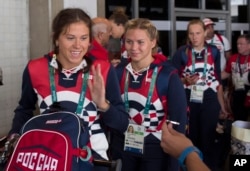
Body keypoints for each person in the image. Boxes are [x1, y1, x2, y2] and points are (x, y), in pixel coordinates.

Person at [7, 8, 129, 171]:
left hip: (93, 160)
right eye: (70, 38)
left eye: (84, 38)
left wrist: (103, 105)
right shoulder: (35, 68)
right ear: (56, 39)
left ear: (90, 41)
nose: (78, 45)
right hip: (48, 158)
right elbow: (24, 110)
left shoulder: (102, 70)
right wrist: (14, 137)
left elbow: (121, 124)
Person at [113, 18, 187, 171]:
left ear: (153, 42)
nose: (134, 48)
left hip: (156, 148)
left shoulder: (167, 75)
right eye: (129, 41)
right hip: (124, 144)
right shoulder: (118, 72)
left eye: (140, 42)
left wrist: (174, 163)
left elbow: (178, 122)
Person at [171, 19, 228, 170]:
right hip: (189, 97)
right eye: (191, 33)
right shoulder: (182, 52)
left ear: (205, 33)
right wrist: (184, 80)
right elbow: (173, 78)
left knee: (209, 137)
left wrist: (222, 106)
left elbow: (217, 79)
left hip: (209, 97)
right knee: (192, 137)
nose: (195, 37)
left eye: (198, 33)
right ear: (188, 35)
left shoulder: (214, 51)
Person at [222, 34, 250, 121]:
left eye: (241, 44)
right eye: (237, 44)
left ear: (249, 45)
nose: (238, 46)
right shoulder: (233, 58)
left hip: (248, 91)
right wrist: (212, 76)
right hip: (237, 90)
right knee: (239, 118)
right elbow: (226, 73)